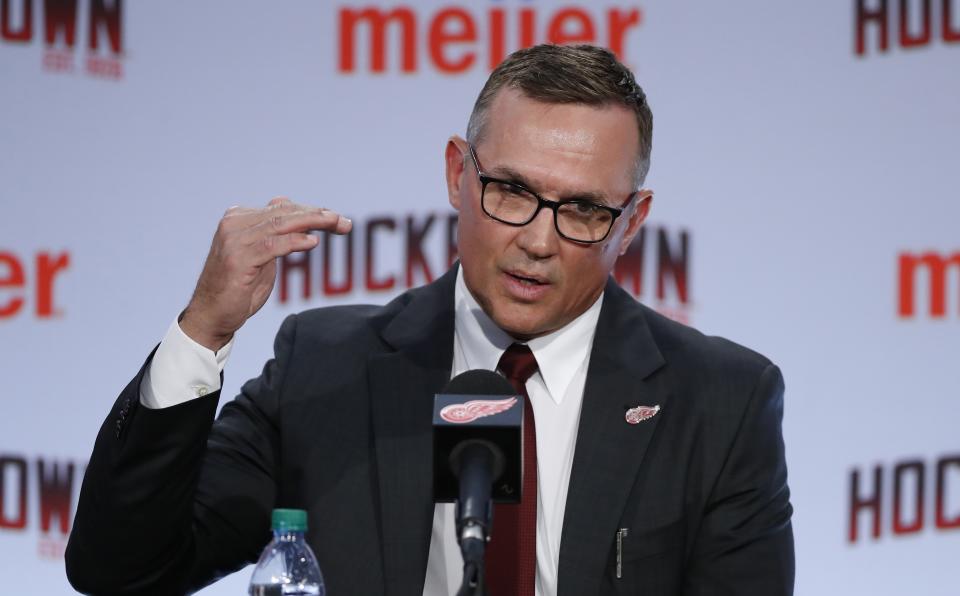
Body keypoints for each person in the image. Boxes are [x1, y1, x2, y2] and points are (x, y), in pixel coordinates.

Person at [66, 44, 794, 595]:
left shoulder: (720, 401)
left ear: (631, 222)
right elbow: (122, 568)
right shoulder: (327, 369)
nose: (538, 241)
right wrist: (205, 330)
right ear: (457, 173)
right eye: (510, 190)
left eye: (582, 210)